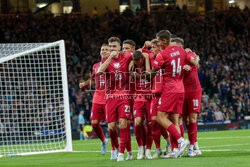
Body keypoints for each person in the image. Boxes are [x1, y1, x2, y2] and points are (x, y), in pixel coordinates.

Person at [133, 30, 199, 158]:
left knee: (160, 117)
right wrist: (196, 58)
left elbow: (151, 75)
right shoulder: (181, 51)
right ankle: (175, 150)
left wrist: (139, 75)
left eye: (158, 41)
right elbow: (193, 62)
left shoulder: (162, 55)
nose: (157, 43)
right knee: (174, 119)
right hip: (181, 89)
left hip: (169, 89)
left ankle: (180, 141)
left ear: (164, 41)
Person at [97, 37, 133, 161]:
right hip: (110, 97)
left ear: (119, 48)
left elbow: (140, 53)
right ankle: (116, 148)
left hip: (124, 96)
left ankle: (122, 153)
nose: (111, 49)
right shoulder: (106, 61)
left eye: (114, 46)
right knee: (111, 127)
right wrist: (110, 58)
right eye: (110, 46)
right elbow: (100, 72)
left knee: (123, 123)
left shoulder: (127, 57)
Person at [171, 36, 202, 157]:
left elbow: (196, 62)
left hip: (194, 90)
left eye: (173, 46)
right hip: (181, 90)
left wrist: (192, 64)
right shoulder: (173, 58)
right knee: (184, 120)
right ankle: (191, 144)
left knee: (192, 119)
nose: (171, 48)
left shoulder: (188, 54)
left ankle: (193, 147)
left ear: (180, 46)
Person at [79, 43, 110, 155]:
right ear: (100, 52)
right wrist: (85, 84)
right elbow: (93, 80)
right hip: (97, 97)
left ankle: (116, 149)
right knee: (94, 124)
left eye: (107, 49)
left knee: (111, 124)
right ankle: (104, 141)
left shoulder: (114, 65)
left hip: (109, 97)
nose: (104, 51)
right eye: (102, 49)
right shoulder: (96, 66)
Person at [130, 50, 153, 159]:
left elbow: (149, 74)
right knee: (138, 122)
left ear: (142, 59)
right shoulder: (132, 66)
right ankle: (140, 148)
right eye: (134, 61)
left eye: (138, 61)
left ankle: (148, 149)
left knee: (150, 123)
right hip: (138, 97)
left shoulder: (150, 62)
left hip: (150, 97)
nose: (137, 64)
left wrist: (147, 58)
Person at [122, 39, 136, 160]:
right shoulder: (122, 59)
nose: (124, 51)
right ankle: (129, 152)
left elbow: (142, 51)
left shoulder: (138, 57)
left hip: (139, 95)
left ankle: (146, 149)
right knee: (124, 124)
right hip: (125, 95)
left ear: (133, 49)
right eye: (123, 48)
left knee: (141, 123)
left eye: (127, 48)